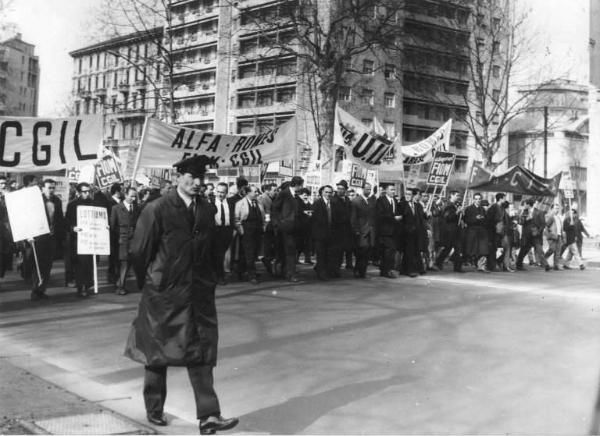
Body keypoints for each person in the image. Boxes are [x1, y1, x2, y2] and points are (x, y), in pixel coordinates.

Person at [125, 155, 238, 434]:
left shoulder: (207, 209)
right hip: (163, 294)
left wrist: (210, 278)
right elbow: (139, 252)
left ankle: (209, 416)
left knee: (201, 351)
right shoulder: (158, 208)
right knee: (157, 351)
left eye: (202, 178)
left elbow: (212, 249)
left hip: (197, 293)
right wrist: (151, 282)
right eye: (192, 177)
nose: (198, 183)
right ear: (178, 177)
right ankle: (154, 408)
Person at [25, 179, 65, 300]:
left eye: (53, 188)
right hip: (39, 237)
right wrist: (28, 235)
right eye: (49, 187)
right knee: (38, 264)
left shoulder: (57, 201)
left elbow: (59, 219)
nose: (51, 190)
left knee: (48, 265)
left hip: (52, 238)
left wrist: (61, 236)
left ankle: (42, 289)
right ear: (42, 188)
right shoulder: (36, 200)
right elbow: (29, 218)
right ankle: (35, 290)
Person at [272, 176, 304, 282]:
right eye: (301, 185)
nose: (301, 188)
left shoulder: (296, 196)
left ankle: (286, 272)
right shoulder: (284, 194)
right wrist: (279, 223)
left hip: (294, 229)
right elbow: (275, 209)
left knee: (290, 252)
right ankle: (290, 274)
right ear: (297, 185)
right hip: (285, 228)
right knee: (289, 252)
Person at [65, 183, 95, 297]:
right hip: (78, 239)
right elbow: (66, 222)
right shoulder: (72, 205)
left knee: (89, 263)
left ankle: (87, 285)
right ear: (78, 192)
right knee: (80, 264)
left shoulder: (93, 203)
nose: (87, 193)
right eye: (84, 191)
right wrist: (73, 228)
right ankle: (81, 286)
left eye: (89, 191)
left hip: (91, 238)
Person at [110, 187, 140, 295]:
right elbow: (113, 226)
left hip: (134, 240)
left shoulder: (137, 208)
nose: (133, 198)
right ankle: (120, 286)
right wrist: (118, 238)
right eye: (131, 196)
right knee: (124, 263)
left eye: (135, 196)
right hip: (122, 240)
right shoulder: (116, 208)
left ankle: (120, 283)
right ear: (125, 195)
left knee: (129, 262)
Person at [234, 185, 265, 284]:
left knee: (253, 252)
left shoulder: (259, 203)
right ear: (248, 193)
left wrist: (264, 226)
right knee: (249, 253)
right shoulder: (240, 203)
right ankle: (252, 275)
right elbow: (236, 219)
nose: (257, 193)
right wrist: (241, 230)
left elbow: (263, 216)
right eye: (255, 192)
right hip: (247, 231)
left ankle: (241, 271)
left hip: (257, 231)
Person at [516, 198, 550, 271]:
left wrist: (538, 232)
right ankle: (518, 264)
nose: (524, 206)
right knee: (523, 250)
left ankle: (546, 264)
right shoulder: (524, 212)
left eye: (525, 204)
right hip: (526, 235)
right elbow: (520, 223)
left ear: (528, 205)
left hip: (535, 235)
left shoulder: (539, 212)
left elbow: (543, 224)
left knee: (539, 250)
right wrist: (524, 219)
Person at [311, 185, 336, 280]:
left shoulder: (333, 203)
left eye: (330, 192)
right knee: (321, 254)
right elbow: (314, 220)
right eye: (326, 192)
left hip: (330, 234)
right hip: (320, 234)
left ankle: (325, 271)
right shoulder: (317, 203)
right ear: (322, 192)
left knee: (328, 254)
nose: (328, 194)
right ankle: (321, 273)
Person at [399, 188, 426, 277]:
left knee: (415, 250)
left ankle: (416, 268)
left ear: (413, 196)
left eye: (409, 194)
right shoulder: (401, 205)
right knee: (408, 251)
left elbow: (420, 218)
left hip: (416, 232)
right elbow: (401, 219)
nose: (407, 196)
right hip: (406, 232)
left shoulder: (417, 205)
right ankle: (409, 270)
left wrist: (426, 215)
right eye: (406, 194)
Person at [435, 190, 464, 272]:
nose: (458, 197)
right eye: (457, 195)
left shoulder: (455, 205)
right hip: (450, 230)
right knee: (450, 248)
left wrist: (460, 213)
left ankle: (456, 267)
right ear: (451, 195)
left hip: (455, 230)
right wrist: (457, 212)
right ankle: (439, 262)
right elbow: (447, 217)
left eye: (458, 195)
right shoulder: (448, 205)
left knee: (455, 248)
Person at [376, 185, 400, 278]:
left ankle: (386, 270)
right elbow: (381, 214)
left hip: (393, 231)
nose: (393, 191)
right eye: (391, 190)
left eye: (394, 190)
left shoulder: (394, 200)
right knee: (388, 250)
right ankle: (386, 270)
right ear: (386, 190)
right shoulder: (381, 200)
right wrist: (394, 218)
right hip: (385, 230)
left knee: (390, 251)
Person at [213, 183, 234, 285]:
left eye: (222, 192)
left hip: (227, 231)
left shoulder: (230, 203)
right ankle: (219, 276)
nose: (220, 194)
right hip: (215, 232)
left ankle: (219, 275)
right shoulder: (211, 202)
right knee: (218, 255)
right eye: (218, 192)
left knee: (222, 254)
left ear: (226, 193)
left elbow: (233, 217)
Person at [351, 185, 374, 278]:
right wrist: (356, 230)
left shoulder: (372, 201)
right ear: (362, 189)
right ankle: (358, 270)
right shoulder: (356, 201)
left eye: (370, 189)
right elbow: (353, 218)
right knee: (361, 251)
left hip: (370, 231)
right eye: (366, 189)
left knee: (367, 252)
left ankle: (362, 271)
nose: (368, 191)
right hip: (361, 231)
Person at [463, 193, 489, 272]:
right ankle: (466, 262)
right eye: (476, 199)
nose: (478, 201)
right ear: (473, 200)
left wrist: (482, 219)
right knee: (470, 250)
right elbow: (466, 220)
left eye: (479, 199)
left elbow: (485, 220)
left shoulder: (482, 209)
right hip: (472, 231)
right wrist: (475, 218)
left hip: (481, 231)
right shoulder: (469, 209)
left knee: (483, 249)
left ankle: (481, 266)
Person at [333, 180, 353, 271]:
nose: (340, 190)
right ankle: (336, 268)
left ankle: (346, 265)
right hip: (337, 229)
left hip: (347, 230)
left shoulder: (348, 200)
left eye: (342, 189)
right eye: (338, 188)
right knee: (337, 251)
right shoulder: (333, 200)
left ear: (346, 190)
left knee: (347, 248)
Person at [258, 183, 277, 275]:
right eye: (274, 190)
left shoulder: (273, 198)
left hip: (272, 226)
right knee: (267, 246)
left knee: (271, 247)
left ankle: (268, 261)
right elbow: (262, 212)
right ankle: (266, 261)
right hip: (267, 226)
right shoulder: (262, 198)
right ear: (267, 190)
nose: (276, 192)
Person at [107, 183, 123, 284]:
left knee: (119, 256)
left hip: (121, 234)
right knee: (113, 256)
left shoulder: (122, 202)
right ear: (117, 191)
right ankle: (112, 275)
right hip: (113, 234)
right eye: (122, 190)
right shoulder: (109, 202)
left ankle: (118, 275)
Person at [295, 188, 313, 265]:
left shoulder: (307, 202)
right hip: (300, 226)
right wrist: (304, 212)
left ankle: (307, 258)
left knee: (308, 244)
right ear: (300, 195)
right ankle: (296, 259)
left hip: (307, 226)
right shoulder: (297, 202)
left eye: (307, 195)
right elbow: (297, 212)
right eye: (304, 195)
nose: (306, 197)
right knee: (299, 244)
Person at [544, 203, 563, 270]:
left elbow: (560, 226)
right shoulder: (550, 216)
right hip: (552, 236)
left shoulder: (558, 217)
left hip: (559, 235)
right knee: (552, 249)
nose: (557, 210)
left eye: (558, 208)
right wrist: (549, 235)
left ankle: (556, 265)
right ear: (552, 209)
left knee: (558, 251)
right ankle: (543, 259)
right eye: (555, 208)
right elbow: (546, 226)